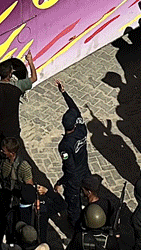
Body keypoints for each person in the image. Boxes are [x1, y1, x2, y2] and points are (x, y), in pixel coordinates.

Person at [55, 79, 91, 225]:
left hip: (74, 179)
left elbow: (70, 168)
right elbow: (75, 109)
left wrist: (61, 182)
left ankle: (76, 225)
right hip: (85, 170)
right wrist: (64, 93)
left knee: (73, 203)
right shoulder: (82, 130)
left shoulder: (64, 146)